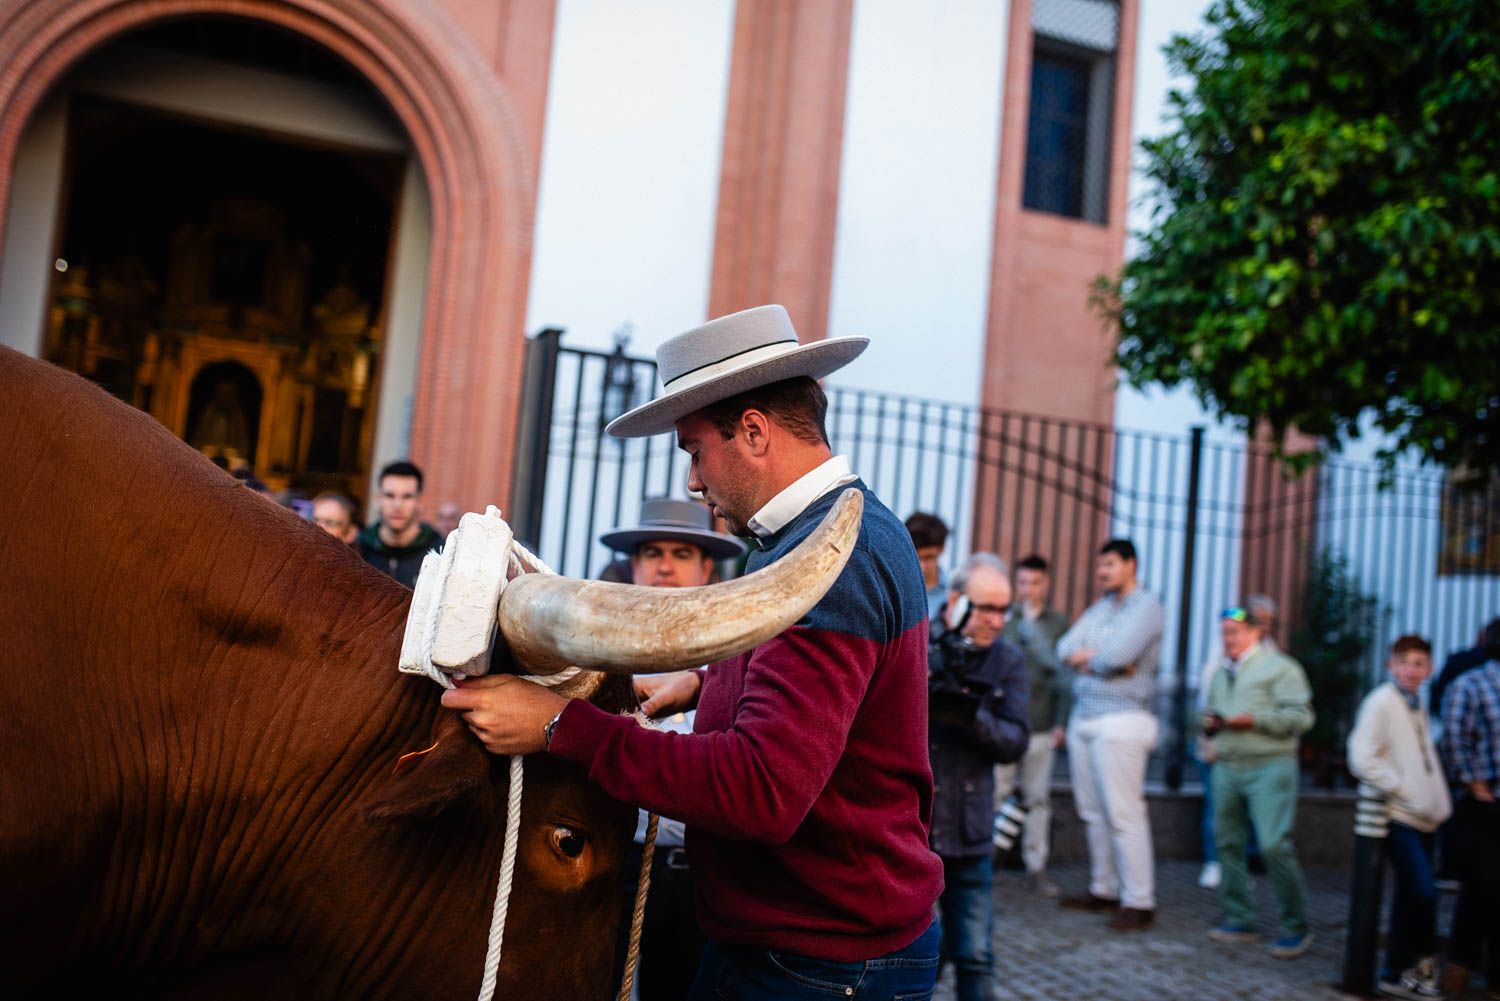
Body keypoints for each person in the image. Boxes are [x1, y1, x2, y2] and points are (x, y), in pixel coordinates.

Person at [441, 304, 944, 1000]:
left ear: (756, 431)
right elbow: (827, 695)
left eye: (694, 449)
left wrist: (560, 724)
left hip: (819, 963)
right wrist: (706, 683)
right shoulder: (818, 535)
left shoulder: (834, 559)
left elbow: (762, 790)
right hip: (800, 946)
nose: (693, 481)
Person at [598, 498, 747, 1001]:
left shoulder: (732, 651)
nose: (665, 566)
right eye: (653, 552)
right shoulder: (597, 650)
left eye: (682, 553)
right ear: (634, 565)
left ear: (706, 567)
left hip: (696, 871)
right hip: (611, 861)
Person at [928, 553, 1030, 1001]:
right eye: (985, 607)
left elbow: (1015, 742)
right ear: (955, 600)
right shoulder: (916, 640)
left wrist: (970, 716)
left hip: (971, 832)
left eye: (1003, 610)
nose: (995, 620)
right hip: (915, 827)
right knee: (911, 960)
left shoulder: (1008, 660)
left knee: (975, 956)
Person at [1055, 538, 1164, 931]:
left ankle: (1139, 900)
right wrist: (1100, 659)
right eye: (1101, 565)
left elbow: (1117, 656)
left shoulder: (1147, 605)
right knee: (1092, 811)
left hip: (1123, 720)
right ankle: (1104, 889)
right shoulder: (1100, 608)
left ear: (1131, 565)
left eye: (1111, 565)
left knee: (1123, 813)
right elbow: (1064, 647)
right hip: (1084, 717)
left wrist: (1095, 657)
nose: (1103, 572)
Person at [1201, 605, 1315, 959]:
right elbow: (1211, 711)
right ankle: (1239, 917)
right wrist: (1208, 724)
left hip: (1270, 765)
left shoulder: (1281, 668)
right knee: (1228, 842)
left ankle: (1296, 925)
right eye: (1224, 633)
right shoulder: (1222, 671)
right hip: (1228, 765)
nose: (1228, 639)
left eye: (1234, 632)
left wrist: (1254, 720)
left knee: (1272, 844)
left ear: (1255, 632)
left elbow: (1302, 716)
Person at [1347, 634, 1452, 1000]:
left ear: (1429, 669)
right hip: (1399, 815)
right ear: (1391, 664)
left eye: (1419, 663)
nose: (1411, 669)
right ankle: (1413, 965)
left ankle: (1398, 970)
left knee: (1413, 895)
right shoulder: (1382, 702)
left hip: (1423, 816)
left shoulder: (1415, 704)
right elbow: (1361, 757)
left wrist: (1433, 799)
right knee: (1422, 892)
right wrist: (1404, 788)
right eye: (1404, 661)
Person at [995, 553, 1070, 897]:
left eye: (1035, 583)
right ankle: (987, 858)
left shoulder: (1058, 625)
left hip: (1041, 724)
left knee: (1038, 797)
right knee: (996, 791)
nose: (1029, 589)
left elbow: (1064, 678)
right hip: (1007, 722)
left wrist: (1061, 721)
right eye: (1023, 582)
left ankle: (1036, 865)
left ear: (1046, 584)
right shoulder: (1005, 621)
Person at [1438, 643, 1500, 998]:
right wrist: (1476, 785)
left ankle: (1495, 976)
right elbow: (1454, 739)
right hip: (1485, 804)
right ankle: (1459, 970)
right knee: (1479, 889)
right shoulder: (1471, 683)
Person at [357, 460, 443, 588]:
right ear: (377, 499)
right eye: (390, 496)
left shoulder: (440, 554)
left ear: (419, 502)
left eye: (407, 497)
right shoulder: (358, 549)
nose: (397, 505)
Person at [906, 512, 951, 621]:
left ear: (942, 548)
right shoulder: (892, 589)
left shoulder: (952, 594)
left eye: (929, 557)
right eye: (916, 558)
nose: (921, 567)